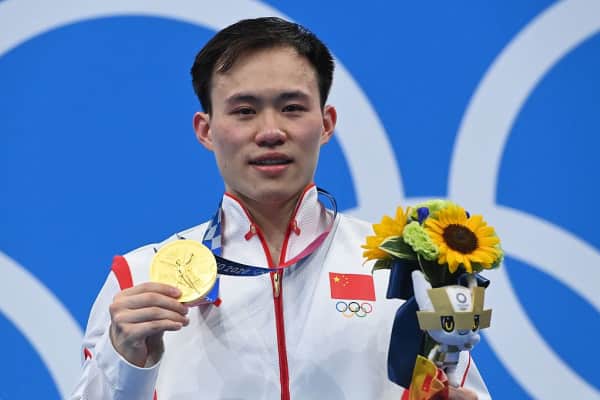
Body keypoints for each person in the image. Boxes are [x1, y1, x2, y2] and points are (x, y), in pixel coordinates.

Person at [71, 17, 490, 400]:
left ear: (326, 123)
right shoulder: (140, 279)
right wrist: (125, 362)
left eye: (292, 108)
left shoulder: (403, 270)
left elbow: (459, 387)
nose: (270, 131)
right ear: (206, 130)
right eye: (244, 111)